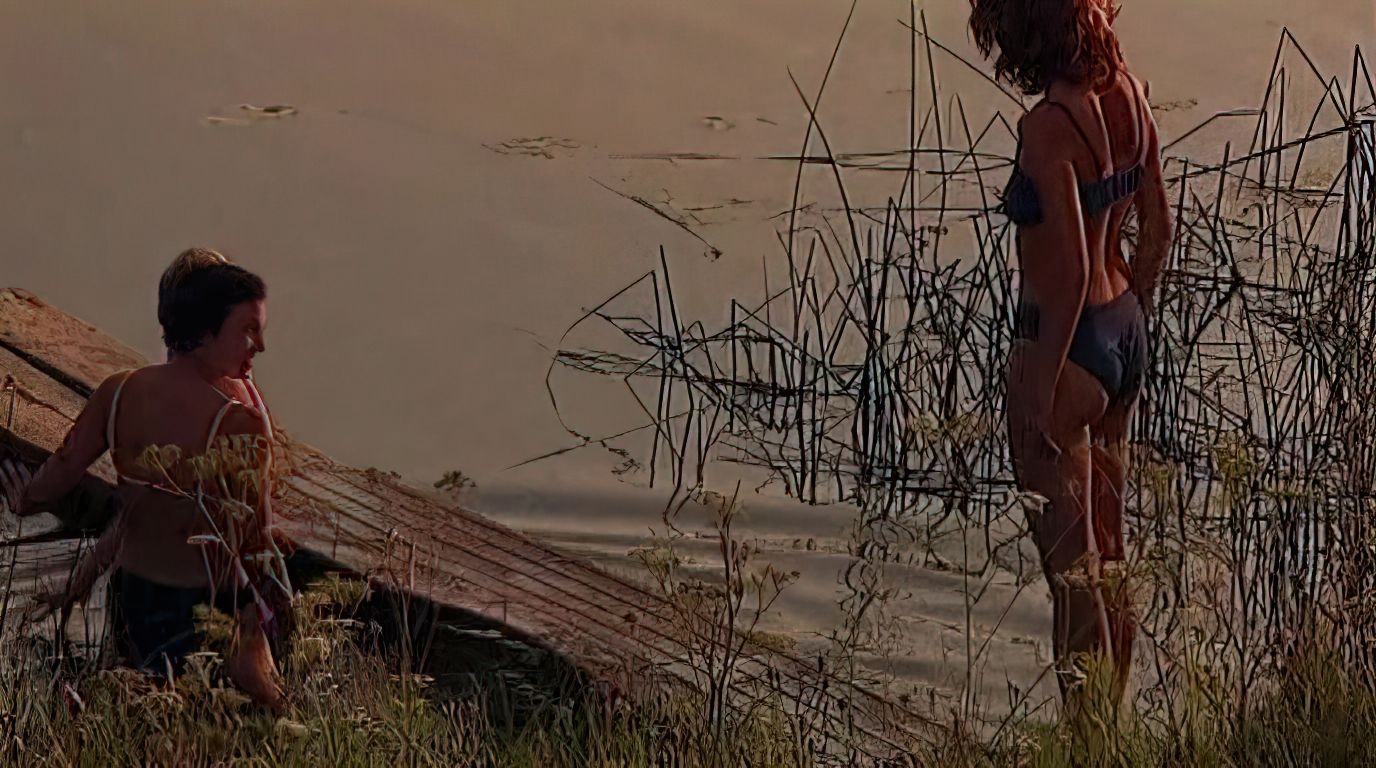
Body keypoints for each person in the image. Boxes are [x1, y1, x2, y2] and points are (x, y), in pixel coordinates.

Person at [969, 0, 1173, 711]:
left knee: (1071, 577)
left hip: (1068, 346)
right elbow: (1158, 230)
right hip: (1123, 333)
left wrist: (1039, 392)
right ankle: (1111, 728)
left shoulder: (1047, 128)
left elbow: (1069, 278)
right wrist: (1134, 313)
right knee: (1110, 555)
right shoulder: (1133, 96)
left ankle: (1084, 738)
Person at [0, 248, 290, 709]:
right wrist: (281, 619)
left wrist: (25, 497)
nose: (256, 345)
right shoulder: (240, 420)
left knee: (148, 706)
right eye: (245, 329)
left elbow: (63, 474)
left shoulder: (118, 393)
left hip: (133, 598)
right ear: (207, 327)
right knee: (222, 719)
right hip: (207, 605)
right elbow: (256, 538)